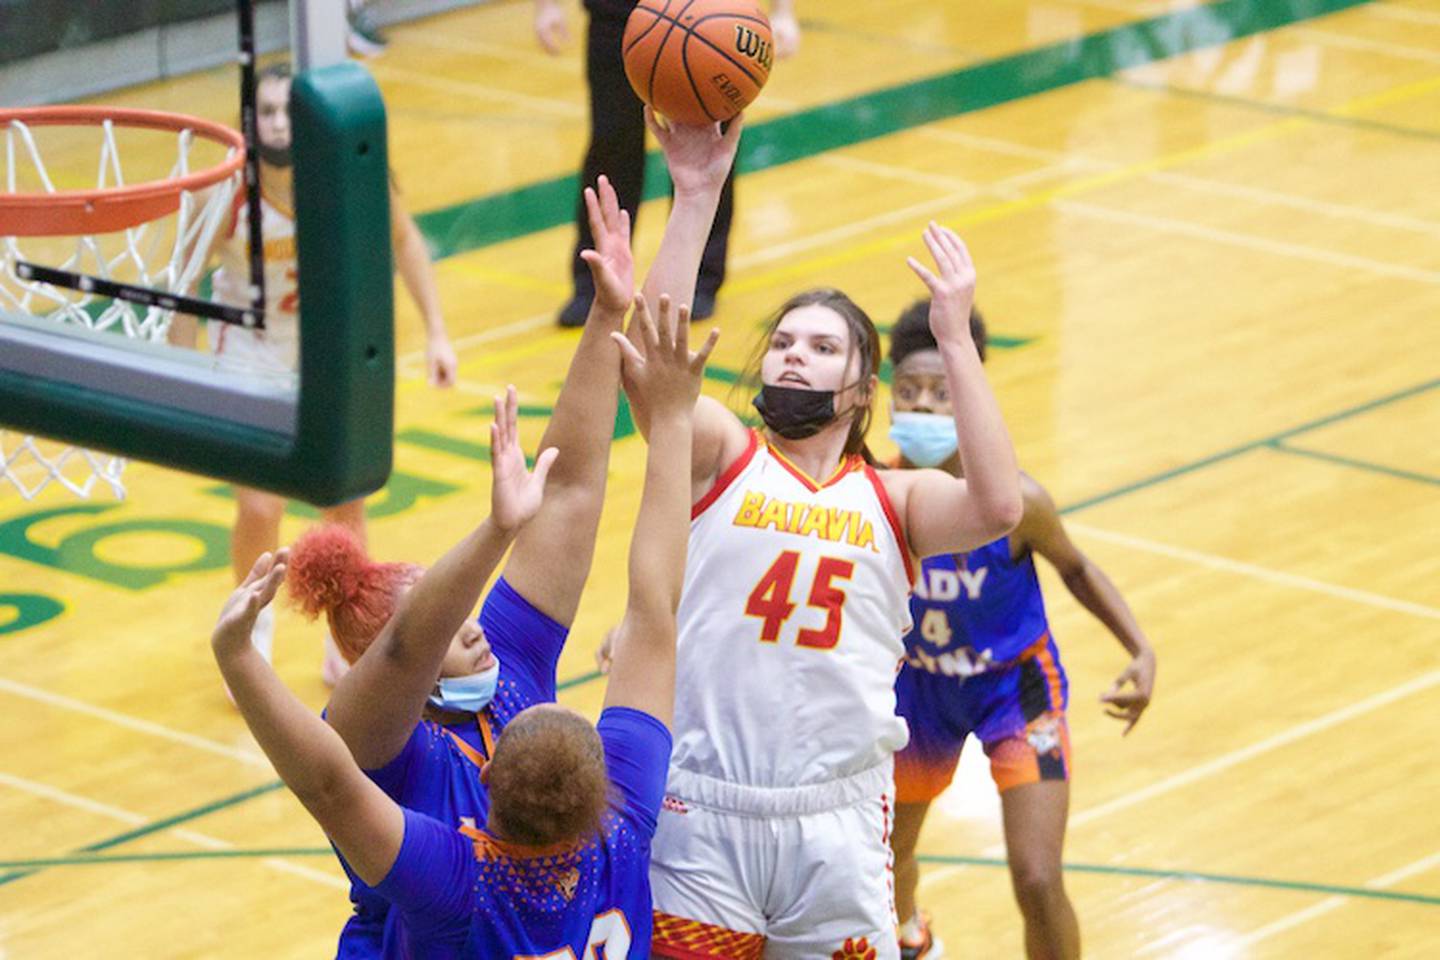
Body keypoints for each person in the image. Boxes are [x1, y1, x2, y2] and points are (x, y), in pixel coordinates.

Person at [211, 291, 715, 956]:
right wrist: (642, 375)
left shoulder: (454, 879)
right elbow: (641, 594)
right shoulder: (620, 830)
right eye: (444, 622)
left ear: (487, 781)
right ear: (606, 793)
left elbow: (328, 777)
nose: (475, 631)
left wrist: (239, 657)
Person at [618, 143, 1022, 956]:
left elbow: (998, 502)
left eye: (823, 346)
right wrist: (694, 197)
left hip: (837, 825)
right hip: (705, 813)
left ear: (861, 390)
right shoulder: (724, 456)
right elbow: (653, 369)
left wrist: (955, 339)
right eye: (784, 342)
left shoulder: (893, 498)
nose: (795, 352)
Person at [170, 62, 458, 686]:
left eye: (285, 110)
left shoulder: (347, 175)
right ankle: (254, 622)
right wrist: (180, 372)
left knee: (344, 498)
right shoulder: (228, 193)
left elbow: (405, 242)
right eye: (266, 111)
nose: (277, 122)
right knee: (261, 501)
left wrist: (436, 330)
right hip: (250, 353)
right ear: (250, 123)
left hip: (326, 353)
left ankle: (348, 632)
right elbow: (184, 282)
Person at [884, 302, 1158, 960]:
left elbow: (1078, 569)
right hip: (917, 692)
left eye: (942, 392)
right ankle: (909, 933)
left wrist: (1141, 650)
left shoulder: (1016, 501)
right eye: (910, 392)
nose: (924, 406)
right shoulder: (877, 492)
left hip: (1015, 688)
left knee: (1037, 878)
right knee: (884, 861)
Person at [533, 0, 801, 326]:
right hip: (618, 14)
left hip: (711, 17)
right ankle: (596, 282)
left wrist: (783, 12)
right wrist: (546, 6)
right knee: (610, 144)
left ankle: (699, 278)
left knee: (709, 152)